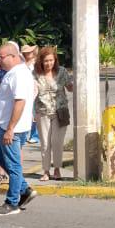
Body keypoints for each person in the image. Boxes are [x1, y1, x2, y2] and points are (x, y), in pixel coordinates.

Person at [0, 42, 37, 217]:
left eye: (1, 57)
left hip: (12, 129)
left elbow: (20, 102)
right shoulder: (14, 72)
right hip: (4, 126)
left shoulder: (19, 74)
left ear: (13, 56)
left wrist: (10, 129)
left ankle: (12, 202)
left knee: (13, 165)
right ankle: (24, 189)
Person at [33, 46, 73, 181]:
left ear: (55, 60)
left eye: (51, 60)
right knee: (45, 143)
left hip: (60, 112)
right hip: (42, 112)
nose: (49, 63)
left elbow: (70, 87)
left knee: (57, 142)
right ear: (41, 61)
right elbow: (32, 92)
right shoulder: (35, 74)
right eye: (46, 61)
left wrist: (80, 81)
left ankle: (57, 169)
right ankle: (46, 171)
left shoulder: (62, 72)